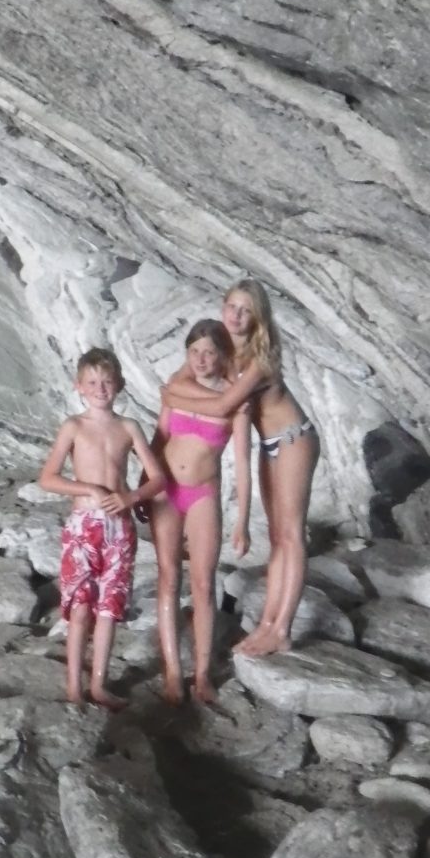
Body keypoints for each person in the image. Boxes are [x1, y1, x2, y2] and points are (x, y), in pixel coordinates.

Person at [161, 279, 319, 656]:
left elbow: (220, 406)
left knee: (291, 535)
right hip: (269, 444)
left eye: (246, 310)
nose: (236, 315)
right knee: (277, 537)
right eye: (232, 306)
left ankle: (282, 629)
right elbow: (179, 379)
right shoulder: (217, 344)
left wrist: (171, 396)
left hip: (294, 439)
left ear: (257, 318)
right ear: (223, 307)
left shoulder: (259, 360)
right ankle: (266, 625)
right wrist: (172, 392)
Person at [38, 347, 164, 709]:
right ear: (79, 386)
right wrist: (88, 489)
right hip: (83, 525)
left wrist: (131, 497)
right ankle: (73, 686)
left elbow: (158, 478)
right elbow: (48, 478)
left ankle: (98, 685)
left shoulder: (128, 427)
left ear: (120, 384)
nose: (100, 389)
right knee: (80, 606)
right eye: (92, 383)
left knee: (109, 607)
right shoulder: (74, 426)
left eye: (107, 382)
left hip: (119, 528)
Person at [144, 319, 251, 706]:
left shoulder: (236, 401)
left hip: (203, 493)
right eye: (194, 351)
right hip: (166, 490)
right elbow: (160, 438)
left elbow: (243, 463)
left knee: (204, 583)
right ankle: (173, 671)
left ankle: (202, 674)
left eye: (209, 352)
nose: (201, 359)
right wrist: (143, 485)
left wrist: (242, 520)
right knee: (168, 577)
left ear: (222, 355)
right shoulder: (177, 388)